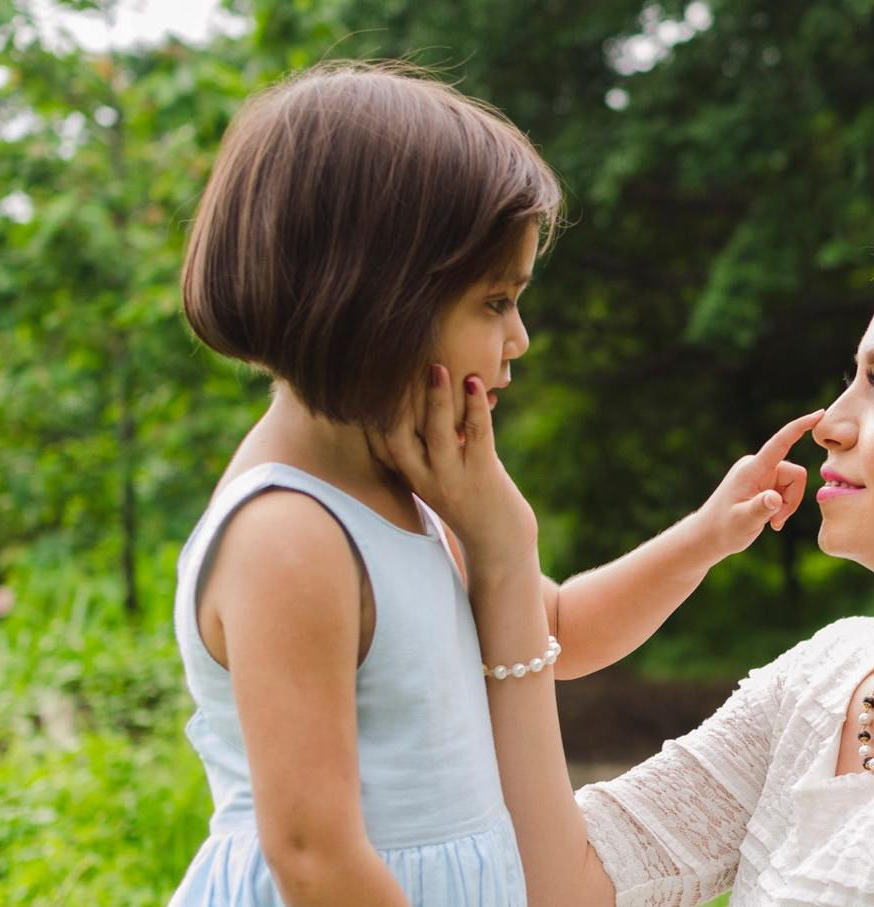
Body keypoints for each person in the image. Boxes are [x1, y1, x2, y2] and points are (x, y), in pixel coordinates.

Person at [385, 226, 874, 905]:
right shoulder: (826, 675)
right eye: (853, 378)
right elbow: (566, 883)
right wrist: (500, 557)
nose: (831, 424)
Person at [167, 62, 815, 906]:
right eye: (494, 302)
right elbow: (314, 856)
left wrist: (705, 535)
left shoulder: (414, 490)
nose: (520, 338)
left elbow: (552, 632)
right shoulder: (290, 532)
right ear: (375, 299)